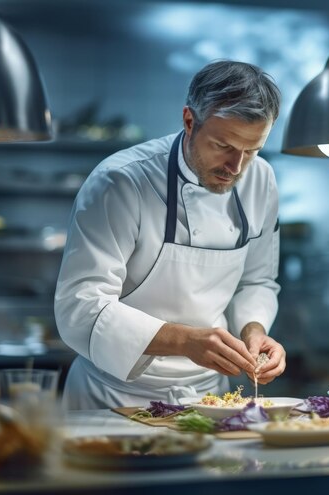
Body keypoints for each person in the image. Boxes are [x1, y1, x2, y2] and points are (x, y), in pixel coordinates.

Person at [54, 60, 286, 409]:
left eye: (251, 151)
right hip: (114, 395)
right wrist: (183, 341)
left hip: (212, 397)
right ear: (190, 121)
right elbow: (80, 307)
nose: (236, 168)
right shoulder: (121, 181)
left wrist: (254, 332)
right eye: (223, 146)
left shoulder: (261, 180)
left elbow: (257, 281)